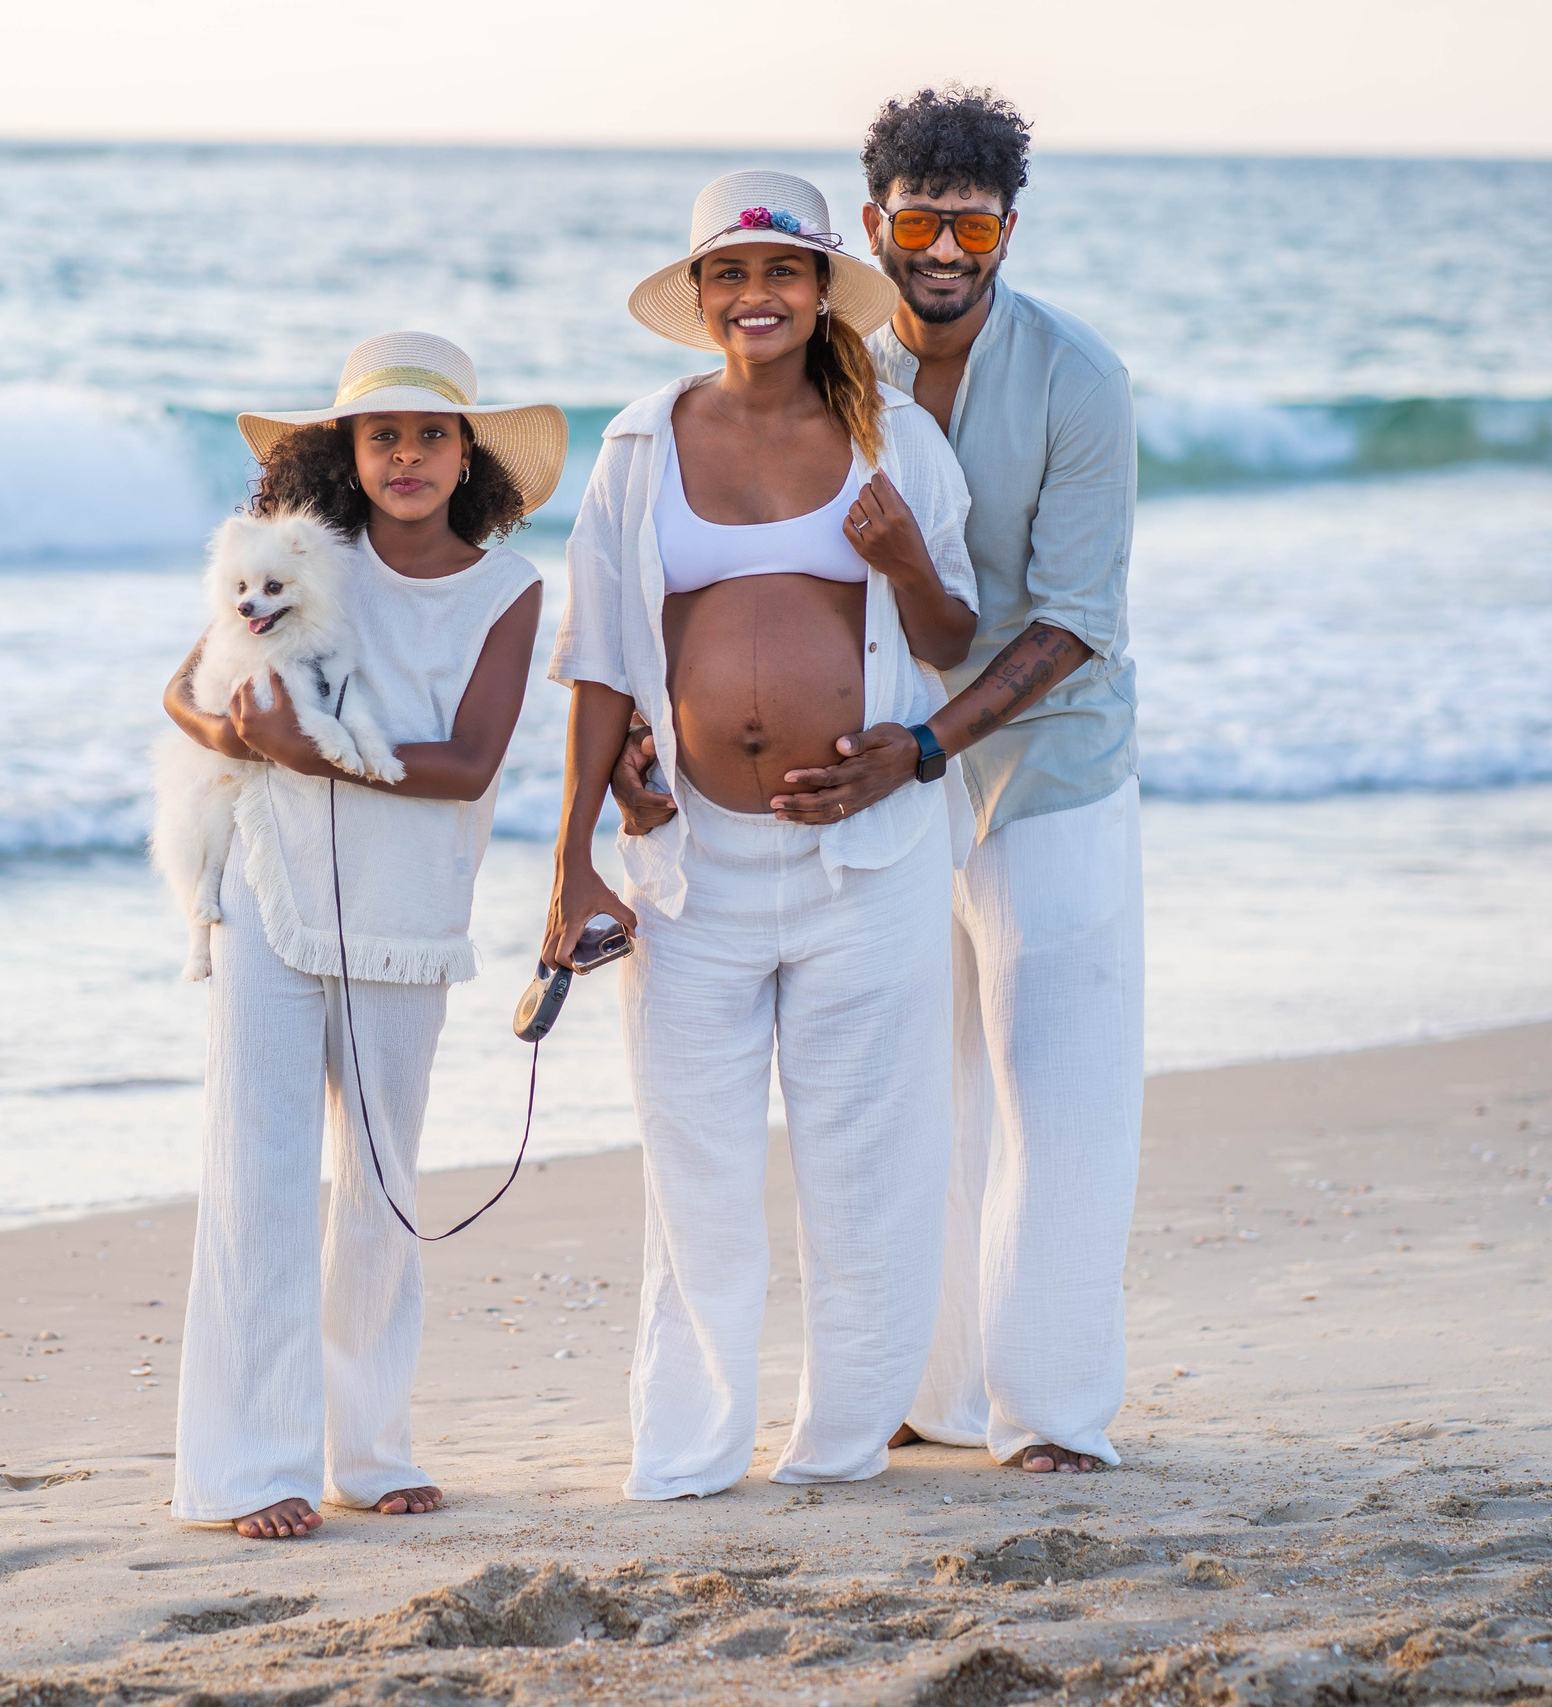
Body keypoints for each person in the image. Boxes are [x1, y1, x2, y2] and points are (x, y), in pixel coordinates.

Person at [612, 89, 1143, 1476]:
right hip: (872, 797)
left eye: (975, 221)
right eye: (921, 219)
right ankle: (937, 1390)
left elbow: (1076, 612)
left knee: (1056, 1087)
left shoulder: (1076, 379)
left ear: (1011, 227)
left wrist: (922, 747)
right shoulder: (837, 365)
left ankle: (1053, 1409)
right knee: (923, 1101)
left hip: (1041, 769)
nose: (947, 247)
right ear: (876, 226)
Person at [545, 169, 980, 1501]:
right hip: (693, 869)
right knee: (699, 1171)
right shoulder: (636, 445)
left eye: (780, 273)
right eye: (729, 275)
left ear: (820, 288)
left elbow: (956, 639)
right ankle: (687, 1451)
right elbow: (601, 663)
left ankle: (838, 1445)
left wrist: (903, 555)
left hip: (868, 861)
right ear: (697, 295)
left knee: (867, 1165)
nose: (755, 297)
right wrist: (570, 864)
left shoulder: (898, 439)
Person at [161, 331, 565, 1538]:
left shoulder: (508, 588)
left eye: (429, 435)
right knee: (258, 1177)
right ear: (344, 451)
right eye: (380, 435)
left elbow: (473, 761)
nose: (405, 456)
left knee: (382, 1191)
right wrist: (241, 742)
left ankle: (367, 1448)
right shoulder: (294, 559)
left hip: (406, 920)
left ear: (465, 454)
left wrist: (303, 747)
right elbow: (184, 688)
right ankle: (246, 1471)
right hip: (267, 900)